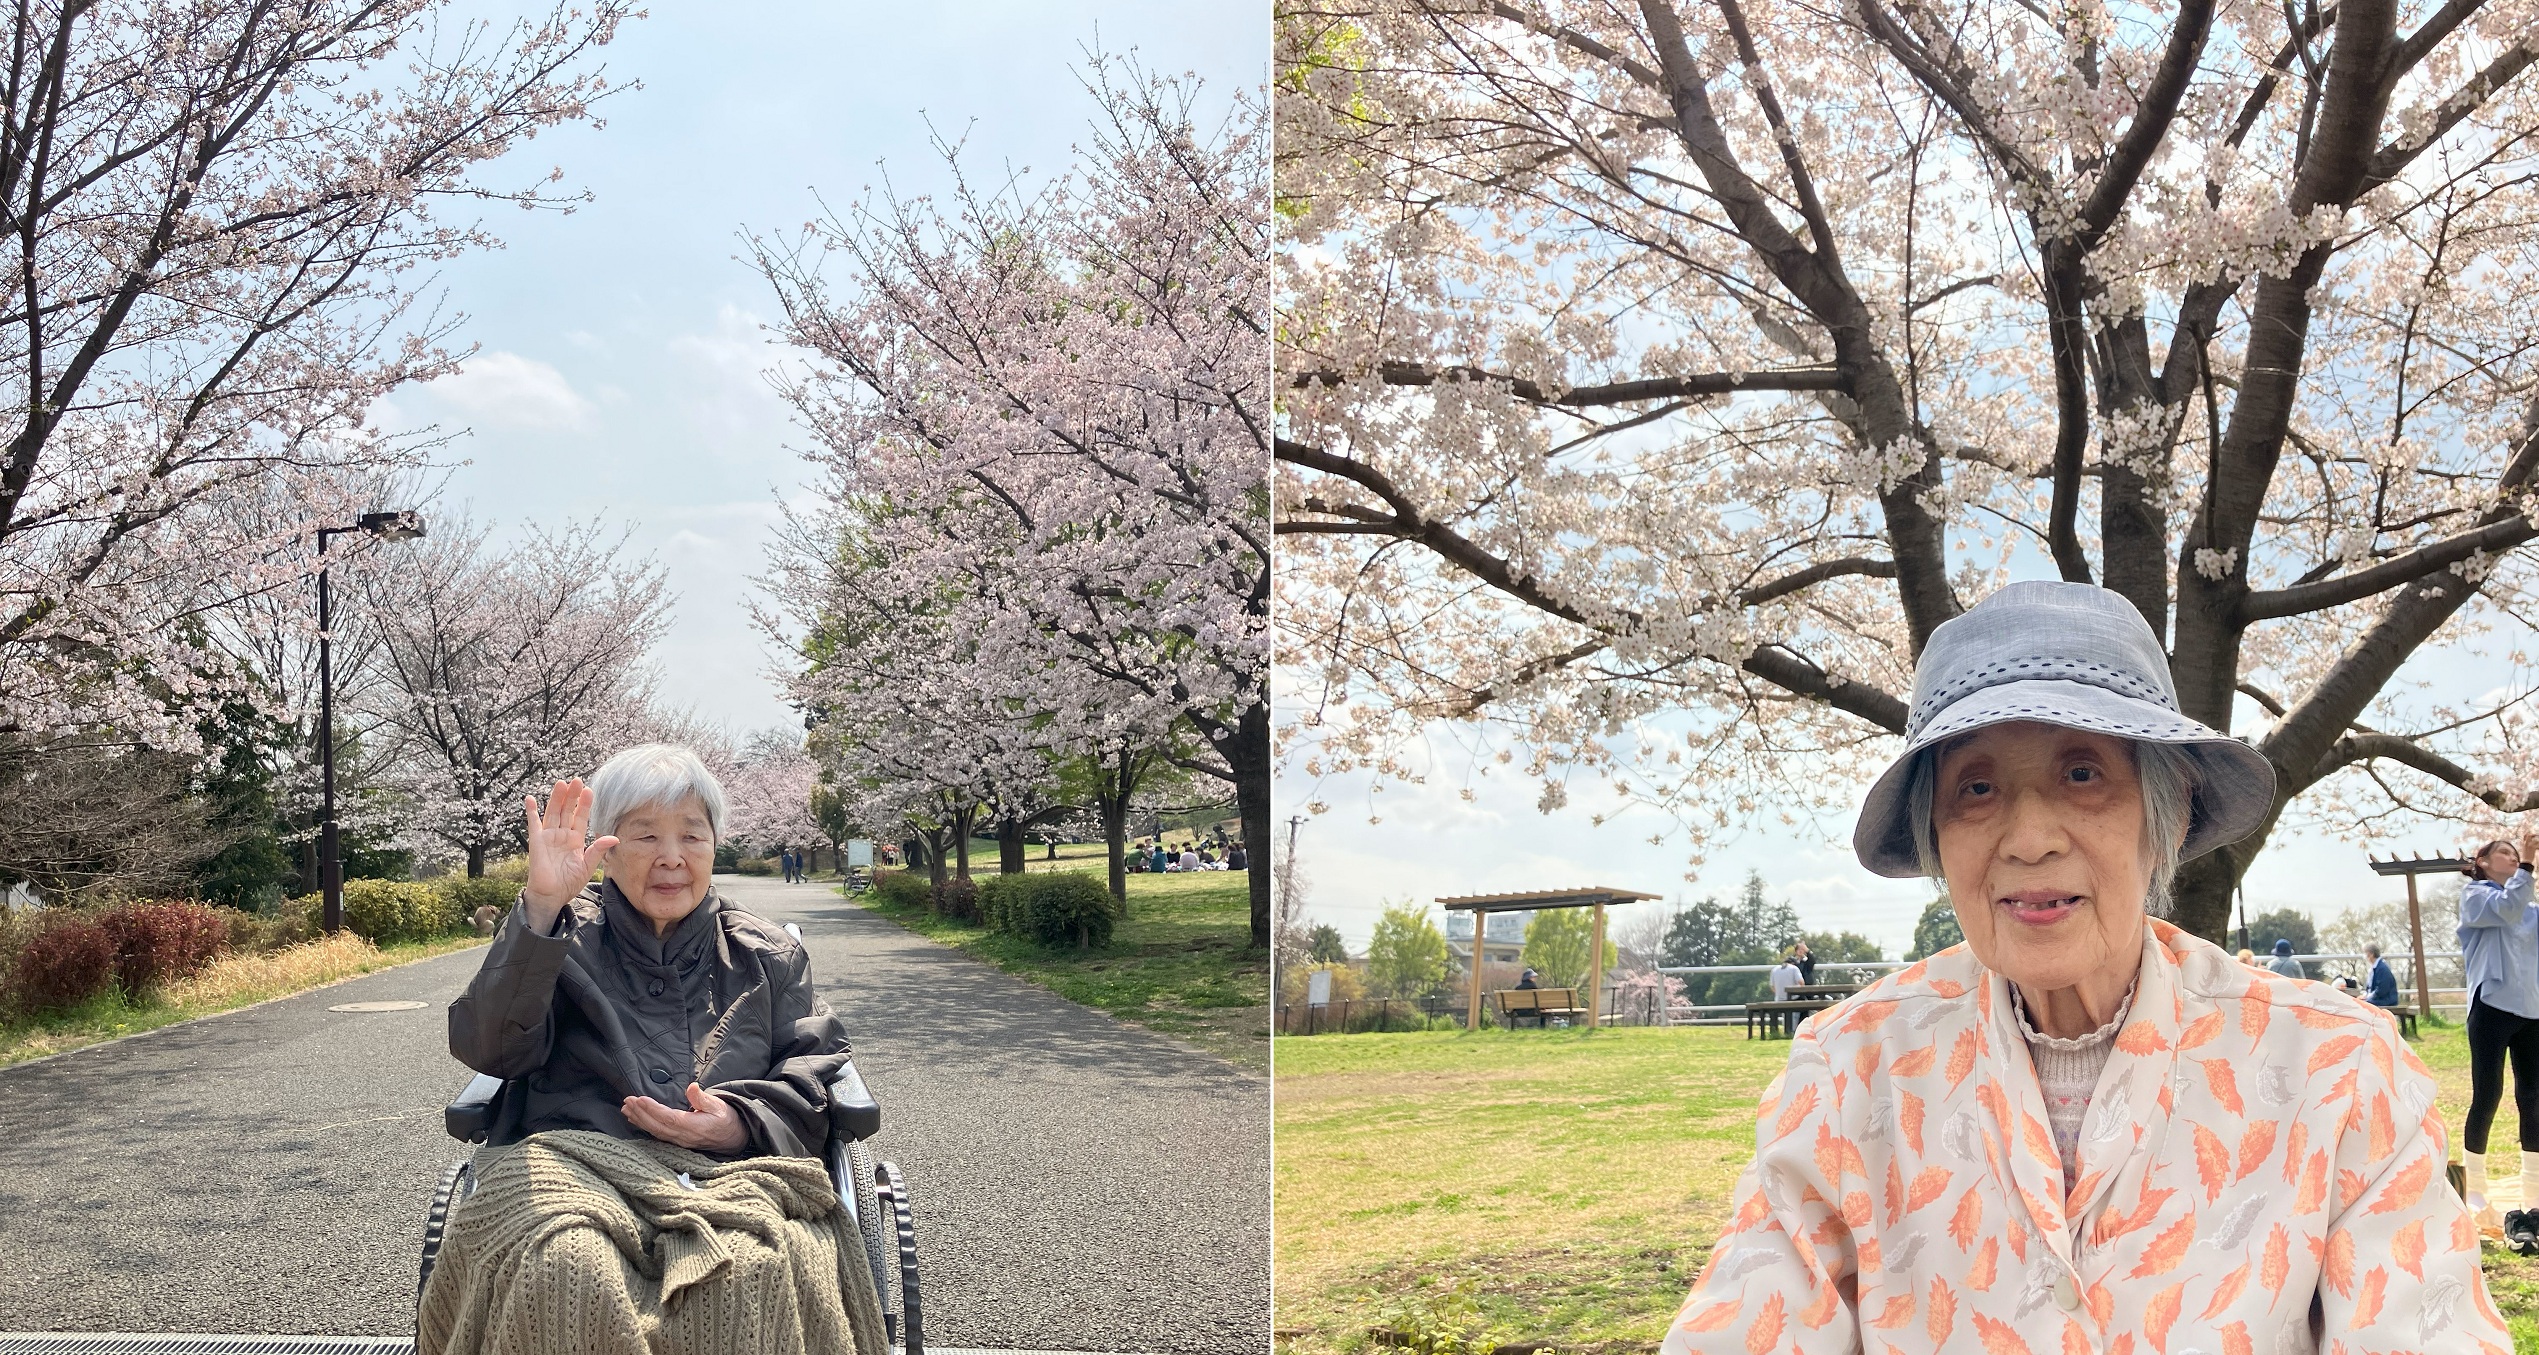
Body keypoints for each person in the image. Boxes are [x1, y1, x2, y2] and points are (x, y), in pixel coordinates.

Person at [1662, 581, 2500, 1352]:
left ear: (2164, 821)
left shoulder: (2337, 1068)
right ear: (1937, 841)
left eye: (2080, 772)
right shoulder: (1850, 1069)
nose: (2029, 837)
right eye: (1976, 789)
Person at [430, 744, 879, 1353]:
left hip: (733, 1172)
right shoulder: (557, 940)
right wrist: (539, 909)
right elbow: (489, 1049)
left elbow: (811, 1064)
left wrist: (738, 1123)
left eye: (692, 837)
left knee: (747, 1271)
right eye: (645, 837)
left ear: (714, 846)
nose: (672, 858)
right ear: (606, 848)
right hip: (577, 1166)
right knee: (564, 1266)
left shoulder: (767, 956)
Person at [2457, 833, 2539, 1244]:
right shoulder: (2475, 897)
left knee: (2534, 1099)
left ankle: (2533, 1197)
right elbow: (2505, 911)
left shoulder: (2530, 907)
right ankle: (2476, 1192)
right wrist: (2526, 865)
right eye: (2503, 853)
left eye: (2516, 852)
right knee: (2487, 1094)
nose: (2513, 857)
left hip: (2531, 1011)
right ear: (2483, 862)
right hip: (2491, 1006)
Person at [2365, 942, 2403, 1009]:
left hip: (2386, 1000)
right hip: (2380, 999)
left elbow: (2382, 989)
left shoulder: (2382, 968)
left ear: (2371, 954)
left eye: (2366, 953)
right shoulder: (2375, 968)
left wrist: (2369, 997)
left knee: (2363, 1004)